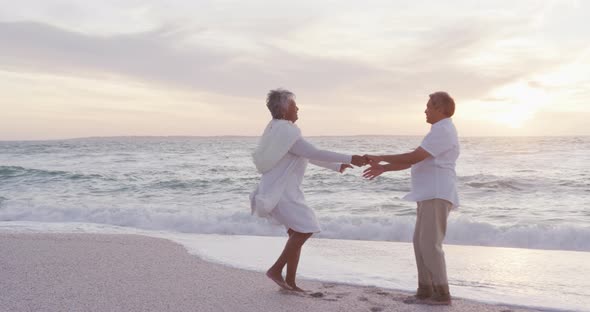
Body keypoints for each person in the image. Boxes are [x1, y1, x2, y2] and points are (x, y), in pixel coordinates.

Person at [250, 88, 366, 292]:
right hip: (282, 194)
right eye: (294, 105)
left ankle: (291, 283)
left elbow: (306, 155)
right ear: (285, 111)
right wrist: (350, 157)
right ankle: (276, 270)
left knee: (296, 232)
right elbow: (314, 152)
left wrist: (337, 166)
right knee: (307, 228)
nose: (298, 108)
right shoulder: (287, 131)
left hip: (277, 191)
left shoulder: (277, 130)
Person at [362, 91, 459, 305]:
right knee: (420, 242)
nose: (425, 110)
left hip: (437, 192)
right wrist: (384, 168)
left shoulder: (444, 130)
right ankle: (425, 291)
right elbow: (414, 161)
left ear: (441, 109)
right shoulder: (437, 131)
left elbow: (415, 156)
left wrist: (382, 157)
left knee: (430, 244)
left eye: (429, 106)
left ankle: (442, 294)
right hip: (428, 194)